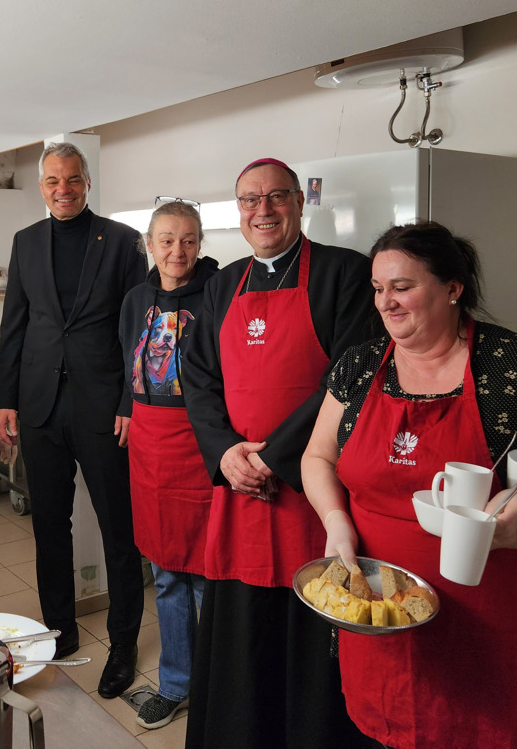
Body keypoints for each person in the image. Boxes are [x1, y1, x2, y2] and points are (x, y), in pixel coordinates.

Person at [301, 221, 517, 749]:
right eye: (378, 289)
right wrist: (336, 524)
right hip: (385, 611)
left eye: (402, 287)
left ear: (453, 288)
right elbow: (318, 456)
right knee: (388, 726)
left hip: (494, 614)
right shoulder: (360, 366)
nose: (386, 303)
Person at [181, 157, 379, 748]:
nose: (262, 210)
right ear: (237, 210)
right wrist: (225, 455)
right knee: (243, 634)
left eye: (276, 197)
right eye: (249, 200)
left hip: (314, 492)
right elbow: (197, 379)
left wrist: (272, 458)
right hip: (239, 493)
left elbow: (350, 378)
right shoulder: (221, 283)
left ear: (299, 201)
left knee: (312, 629)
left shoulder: (346, 274)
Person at [0, 142, 147, 699]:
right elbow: (16, 324)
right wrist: (4, 398)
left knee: (118, 527)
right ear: (42, 185)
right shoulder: (26, 242)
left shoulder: (124, 241)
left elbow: (138, 329)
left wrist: (131, 400)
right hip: (39, 406)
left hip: (103, 405)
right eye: (54, 180)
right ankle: (59, 632)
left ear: (87, 182)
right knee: (50, 526)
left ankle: (124, 642)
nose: (64, 188)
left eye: (74, 179)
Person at [118, 199, 218, 730]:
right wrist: (124, 409)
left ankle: (217, 686)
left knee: (206, 572)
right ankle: (177, 684)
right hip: (149, 444)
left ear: (200, 243)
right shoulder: (136, 298)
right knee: (165, 572)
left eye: (188, 240)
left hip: (199, 443)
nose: (177, 250)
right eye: (166, 240)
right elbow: (126, 361)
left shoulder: (221, 294)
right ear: (149, 245)